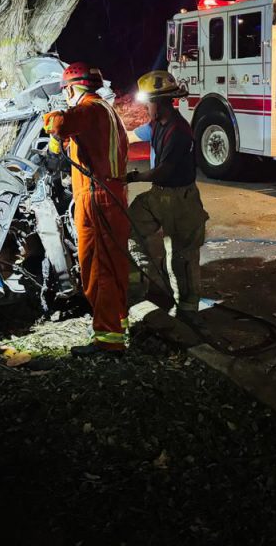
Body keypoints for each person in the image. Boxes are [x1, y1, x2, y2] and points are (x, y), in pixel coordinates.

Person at [43, 63, 130, 357]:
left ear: (70, 89)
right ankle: (117, 325)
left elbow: (59, 122)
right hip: (111, 194)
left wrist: (53, 130)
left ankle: (108, 341)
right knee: (114, 264)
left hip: (95, 197)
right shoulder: (105, 110)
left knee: (97, 266)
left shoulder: (88, 108)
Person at [125, 70, 209, 327]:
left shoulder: (179, 130)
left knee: (182, 255)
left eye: (148, 103)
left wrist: (132, 177)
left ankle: (188, 310)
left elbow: (164, 171)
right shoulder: (156, 125)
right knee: (128, 230)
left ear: (160, 103)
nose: (146, 108)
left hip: (180, 199)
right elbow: (128, 136)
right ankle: (144, 288)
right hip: (160, 195)